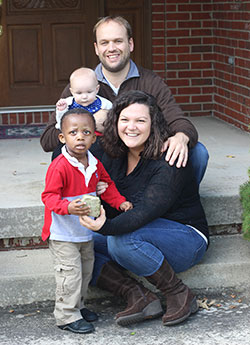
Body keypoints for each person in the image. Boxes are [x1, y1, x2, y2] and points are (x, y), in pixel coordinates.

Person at [79, 90, 209, 327]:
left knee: (121, 241)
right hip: (138, 232)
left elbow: (144, 212)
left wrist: (106, 225)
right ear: (115, 122)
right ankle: (137, 295)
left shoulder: (169, 158)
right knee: (78, 244)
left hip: (184, 237)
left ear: (154, 124)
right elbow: (64, 154)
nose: (132, 127)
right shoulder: (112, 150)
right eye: (125, 120)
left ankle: (179, 292)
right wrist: (85, 128)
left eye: (141, 120)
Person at [40, 16, 209, 185]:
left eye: (118, 41)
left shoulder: (150, 82)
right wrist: (87, 126)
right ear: (96, 48)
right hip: (101, 167)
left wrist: (181, 136)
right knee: (64, 153)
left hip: (144, 161)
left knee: (198, 153)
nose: (111, 48)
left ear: (131, 44)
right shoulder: (81, 87)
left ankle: (175, 203)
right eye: (104, 43)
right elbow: (48, 140)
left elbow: (179, 121)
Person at [41, 108, 132, 334]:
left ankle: (78, 307)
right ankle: (66, 315)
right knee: (69, 274)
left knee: (85, 271)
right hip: (63, 233)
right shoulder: (60, 166)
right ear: (62, 137)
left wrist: (119, 202)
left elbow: (107, 184)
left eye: (86, 132)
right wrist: (67, 206)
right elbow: (49, 197)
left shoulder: (94, 163)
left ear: (94, 137)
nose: (80, 137)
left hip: (84, 231)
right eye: (73, 132)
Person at [53, 67, 112, 159]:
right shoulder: (68, 103)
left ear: (97, 89)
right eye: (79, 93)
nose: (84, 96)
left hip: (95, 137)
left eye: (89, 92)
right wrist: (61, 110)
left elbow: (111, 117)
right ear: (72, 92)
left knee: (99, 151)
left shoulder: (104, 103)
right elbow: (61, 122)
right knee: (61, 152)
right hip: (74, 137)